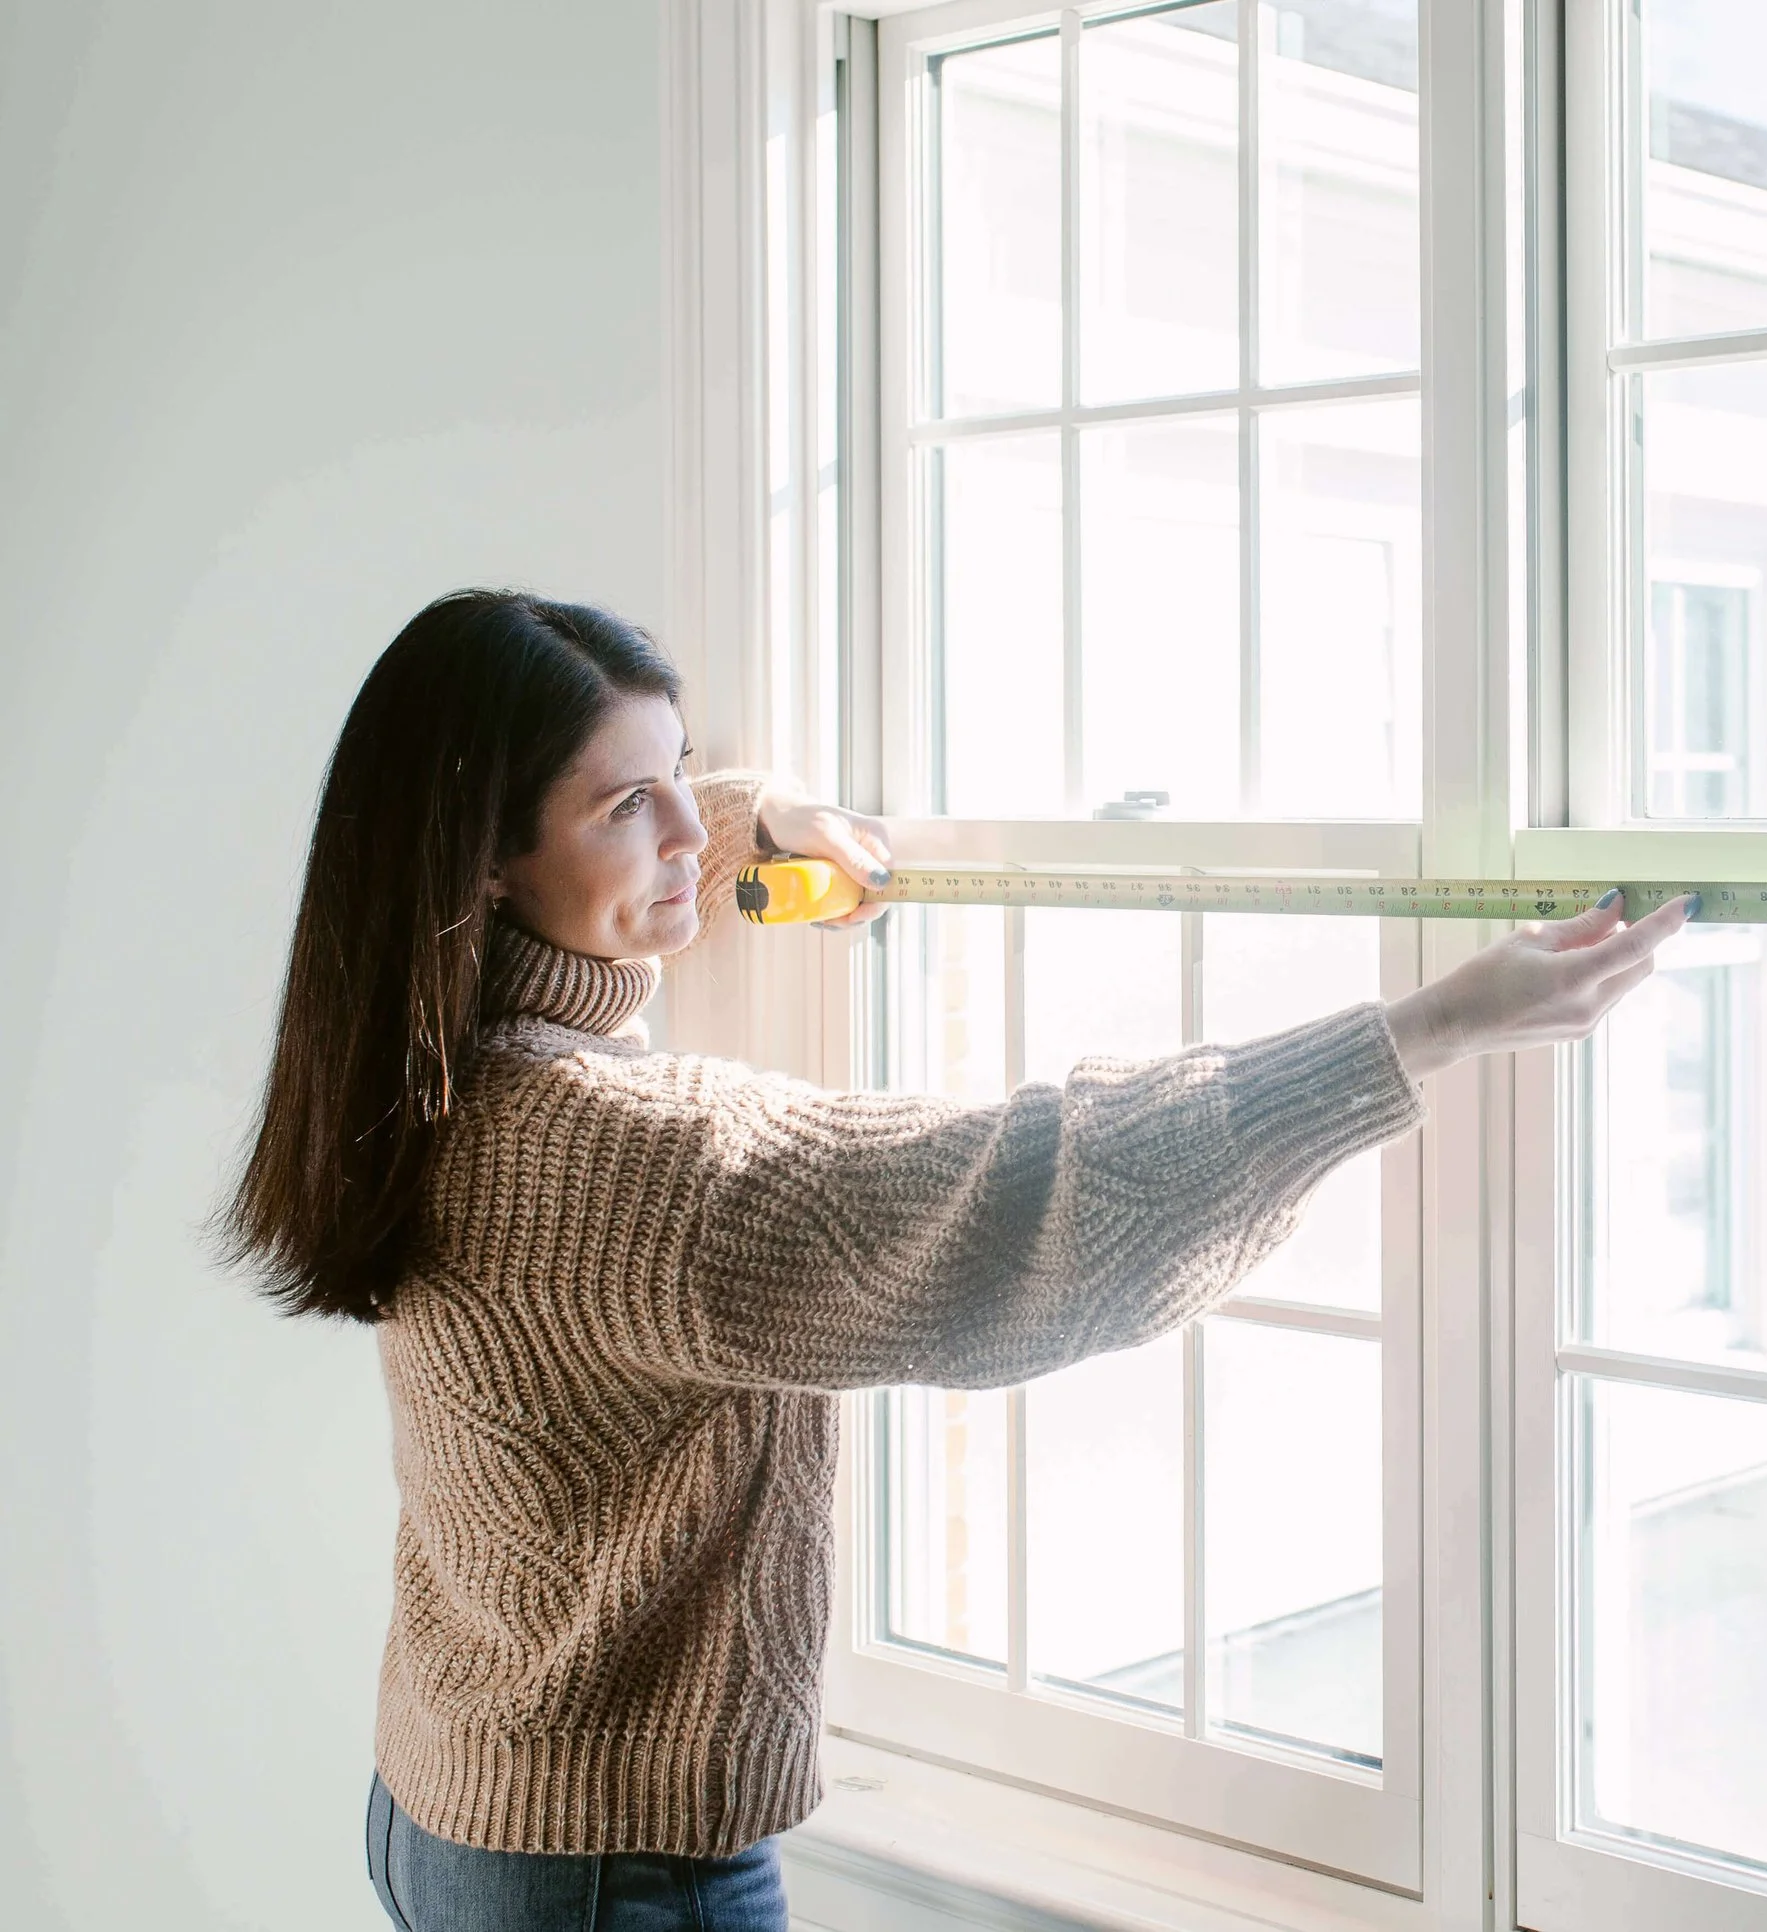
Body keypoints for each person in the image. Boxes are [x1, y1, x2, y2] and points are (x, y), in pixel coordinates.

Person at [217, 590, 1692, 1932]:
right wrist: (1417, 1034)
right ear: (486, 853)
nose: (684, 828)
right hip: (614, 1876)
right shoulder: (618, 1157)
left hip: (448, 1796)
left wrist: (752, 816)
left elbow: (633, 845)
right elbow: (1012, 1198)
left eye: (682, 775)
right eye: (628, 805)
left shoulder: (419, 1065)